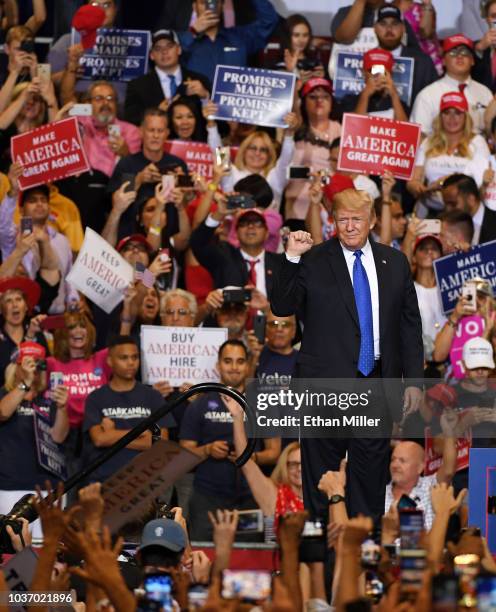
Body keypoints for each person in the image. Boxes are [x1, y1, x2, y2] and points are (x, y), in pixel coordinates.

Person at [271, 187, 424, 523]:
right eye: (343, 220)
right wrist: (291, 258)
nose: (350, 226)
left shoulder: (395, 262)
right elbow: (281, 306)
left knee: (369, 481)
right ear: (333, 222)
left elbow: (409, 326)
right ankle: (321, 563)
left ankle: (363, 558)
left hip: (375, 387)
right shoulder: (312, 259)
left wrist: (413, 382)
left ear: (371, 221)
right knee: (321, 482)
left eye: (357, 219)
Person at [180, 339, 279, 540]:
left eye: (240, 361)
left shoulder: (263, 404)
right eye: (228, 361)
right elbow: (184, 453)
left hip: (251, 496)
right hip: (207, 497)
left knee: (250, 557)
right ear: (218, 365)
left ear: (249, 365)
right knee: (204, 554)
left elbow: (274, 452)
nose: (234, 367)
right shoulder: (200, 404)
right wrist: (208, 450)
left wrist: (249, 459)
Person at [82, 335, 174, 484]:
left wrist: (112, 435)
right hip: (104, 481)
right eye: (123, 358)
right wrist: (141, 434)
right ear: (110, 361)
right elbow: (99, 439)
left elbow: (160, 443)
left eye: (135, 357)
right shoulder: (95, 398)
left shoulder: (153, 396)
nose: (131, 363)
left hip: (144, 482)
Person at [0, 341, 69, 537]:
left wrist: (63, 407)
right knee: (11, 551)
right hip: (11, 486)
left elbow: (59, 436)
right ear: (16, 366)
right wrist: (25, 384)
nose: (35, 370)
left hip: (48, 487)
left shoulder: (49, 398)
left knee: (48, 550)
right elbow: (3, 412)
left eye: (39, 364)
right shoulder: (5, 394)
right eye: (29, 363)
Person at [57, 80, 142, 232]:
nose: (105, 104)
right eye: (98, 99)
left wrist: (125, 153)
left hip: (110, 194)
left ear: (117, 104)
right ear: (87, 103)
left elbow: (134, 171)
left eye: (110, 99)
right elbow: (55, 151)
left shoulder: (130, 131)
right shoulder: (78, 123)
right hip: (79, 192)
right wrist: (60, 120)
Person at [47, 310, 112, 476]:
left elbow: (123, 343)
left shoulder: (101, 358)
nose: (78, 331)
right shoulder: (52, 363)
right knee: (70, 494)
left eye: (82, 326)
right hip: (65, 438)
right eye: (71, 327)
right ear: (63, 333)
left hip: (98, 435)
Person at [107, 108, 188, 240]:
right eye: (151, 130)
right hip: (132, 239)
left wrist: (181, 186)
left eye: (160, 131)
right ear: (141, 132)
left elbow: (186, 204)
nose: (155, 136)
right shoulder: (127, 164)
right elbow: (115, 203)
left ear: (167, 133)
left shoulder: (177, 164)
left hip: (169, 239)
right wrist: (139, 179)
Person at [408, 92, 490, 217]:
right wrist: (424, 189)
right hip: (431, 210)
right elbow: (413, 181)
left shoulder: (478, 142)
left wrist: (444, 184)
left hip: (465, 214)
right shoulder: (428, 142)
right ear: (440, 117)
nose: (452, 118)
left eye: (457, 113)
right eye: (447, 113)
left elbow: (484, 181)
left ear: (466, 116)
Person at [0, 182, 77, 313]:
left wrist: (73, 299)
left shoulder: (62, 240)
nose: (39, 204)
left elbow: (69, 276)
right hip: (22, 314)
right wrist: (12, 193)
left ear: (49, 207)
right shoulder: (12, 237)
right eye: (32, 200)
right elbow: (2, 224)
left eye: (43, 200)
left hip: (58, 318)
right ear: (21, 209)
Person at [204, 103, 298, 210]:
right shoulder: (231, 173)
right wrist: (211, 123)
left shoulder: (275, 177)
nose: (257, 153)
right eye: (253, 148)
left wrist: (290, 132)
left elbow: (286, 159)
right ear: (244, 150)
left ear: (269, 155)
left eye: (263, 150)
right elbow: (218, 151)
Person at [385, 412, 457, 530]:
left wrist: (448, 432)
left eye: (402, 461)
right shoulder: (381, 493)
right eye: (393, 459)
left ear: (420, 467)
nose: (395, 465)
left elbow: (449, 470)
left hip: (423, 547)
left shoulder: (431, 486)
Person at [177, 0, 279, 83]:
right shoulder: (182, 40)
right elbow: (169, 57)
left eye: (214, 2)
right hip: (197, 106)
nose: (209, 8)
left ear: (222, 5)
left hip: (232, 105)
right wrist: (193, 32)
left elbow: (269, 21)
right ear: (194, 7)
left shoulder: (239, 37)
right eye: (203, 3)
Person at [124, 29, 210, 127]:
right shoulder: (137, 86)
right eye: (158, 48)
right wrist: (156, 113)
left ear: (179, 49)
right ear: (151, 55)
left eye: (169, 46)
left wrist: (205, 97)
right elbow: (130, 122)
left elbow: (220, 124)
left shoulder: (200, 81)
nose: (164, 51)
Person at [410, 34, 493, 135]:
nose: (459, 56)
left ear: (472, 60)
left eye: (465, 52)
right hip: (440, 149)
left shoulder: (485, 92)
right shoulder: (427, 95)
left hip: (479, 149)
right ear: (443, 61)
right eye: (453, 52)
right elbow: (418, 136)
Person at [284, 77, 341, 222]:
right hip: (297, 207)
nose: (319, 101)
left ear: (332, 102)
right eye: (313, 97)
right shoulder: (294, 129)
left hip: (330, 208)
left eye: (325, 97)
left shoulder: (342, 130)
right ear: (304, 102)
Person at [190, 205, 281, 295]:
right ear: (236, 233)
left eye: (257, 223)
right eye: (243, 223)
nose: (250, 226)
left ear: (267, 234)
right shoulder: (224, 256)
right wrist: (218, 214)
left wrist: (266, 308)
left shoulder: (280, 264)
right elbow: (198, 243)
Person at [373, 5, 438, 107]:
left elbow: (434, 101)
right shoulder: (365, 60)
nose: (389, 29)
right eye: (383, 24)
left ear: (403, 28)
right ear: (375, 28)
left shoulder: (423, 62)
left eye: (395, 24)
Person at [331, 0, 419, 47]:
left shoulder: (396, 15)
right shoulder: (345, 13)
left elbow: (412, 52)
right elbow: (345, 38)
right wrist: (360, 2)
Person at [440, 173, 496, 244]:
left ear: (471, 199)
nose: (448, 210)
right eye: (446, 204)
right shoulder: (444, 226)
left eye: (453, 204)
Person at [354, 48, 408, 121]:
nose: (377, 76)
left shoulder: (400, 105)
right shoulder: (350, 101)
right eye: (373, 71)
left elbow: (405, 130)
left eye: (382, 71)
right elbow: (353, 127)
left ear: (390, 75)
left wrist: (394, 95)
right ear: (363, 73)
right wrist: (365, 95)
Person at [393, 0, 443, 76]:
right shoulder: (388, 8)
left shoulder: (423, 7)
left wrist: (427, 4)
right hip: (403, 62)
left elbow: (426, 32)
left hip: (429, 61)